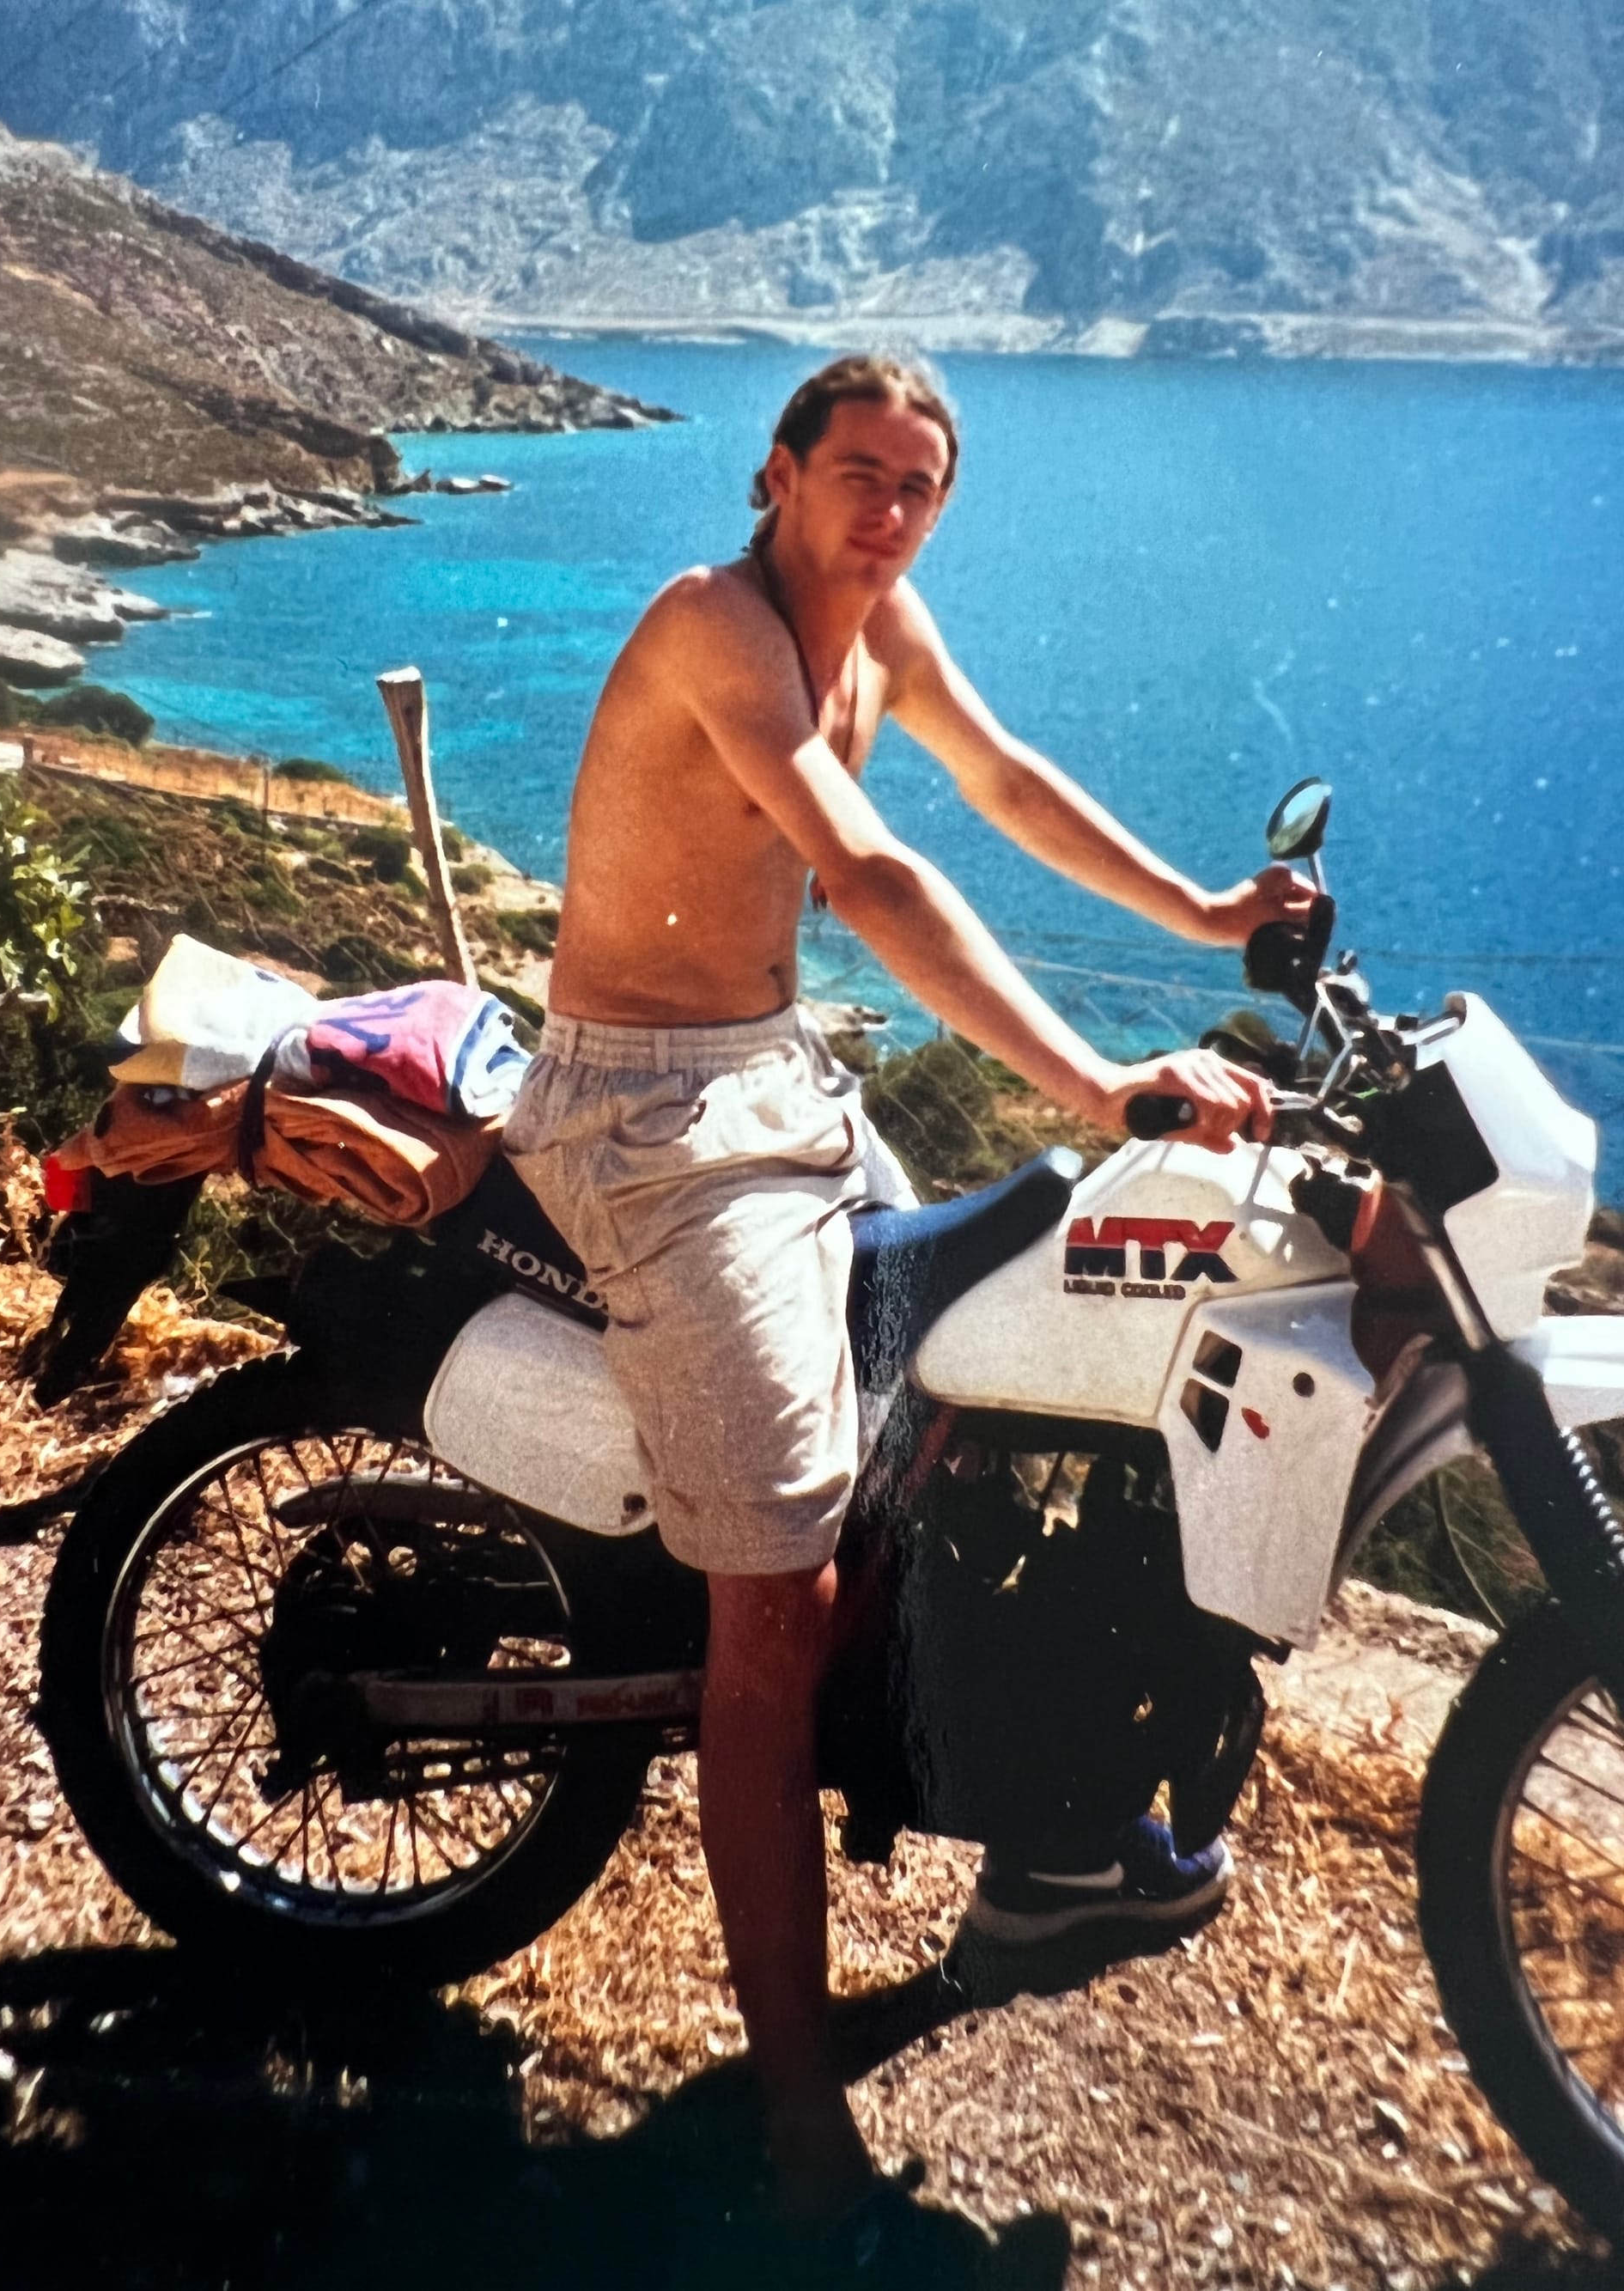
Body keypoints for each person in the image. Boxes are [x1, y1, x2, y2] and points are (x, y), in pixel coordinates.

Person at [503, 355, 1312, 2236]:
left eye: (918, 486)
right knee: (773, 1596)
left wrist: (1206, 915)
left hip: (775, 1077)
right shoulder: (714, 624)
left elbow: (1002, 780)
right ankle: (797, 2123)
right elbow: (865, 863)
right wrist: (1100, 1082)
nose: (887, 510)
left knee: (976, 1393)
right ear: (777, 473)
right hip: (647, 1116)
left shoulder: (883, 617)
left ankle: (1036, 1819)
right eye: (855, 474)